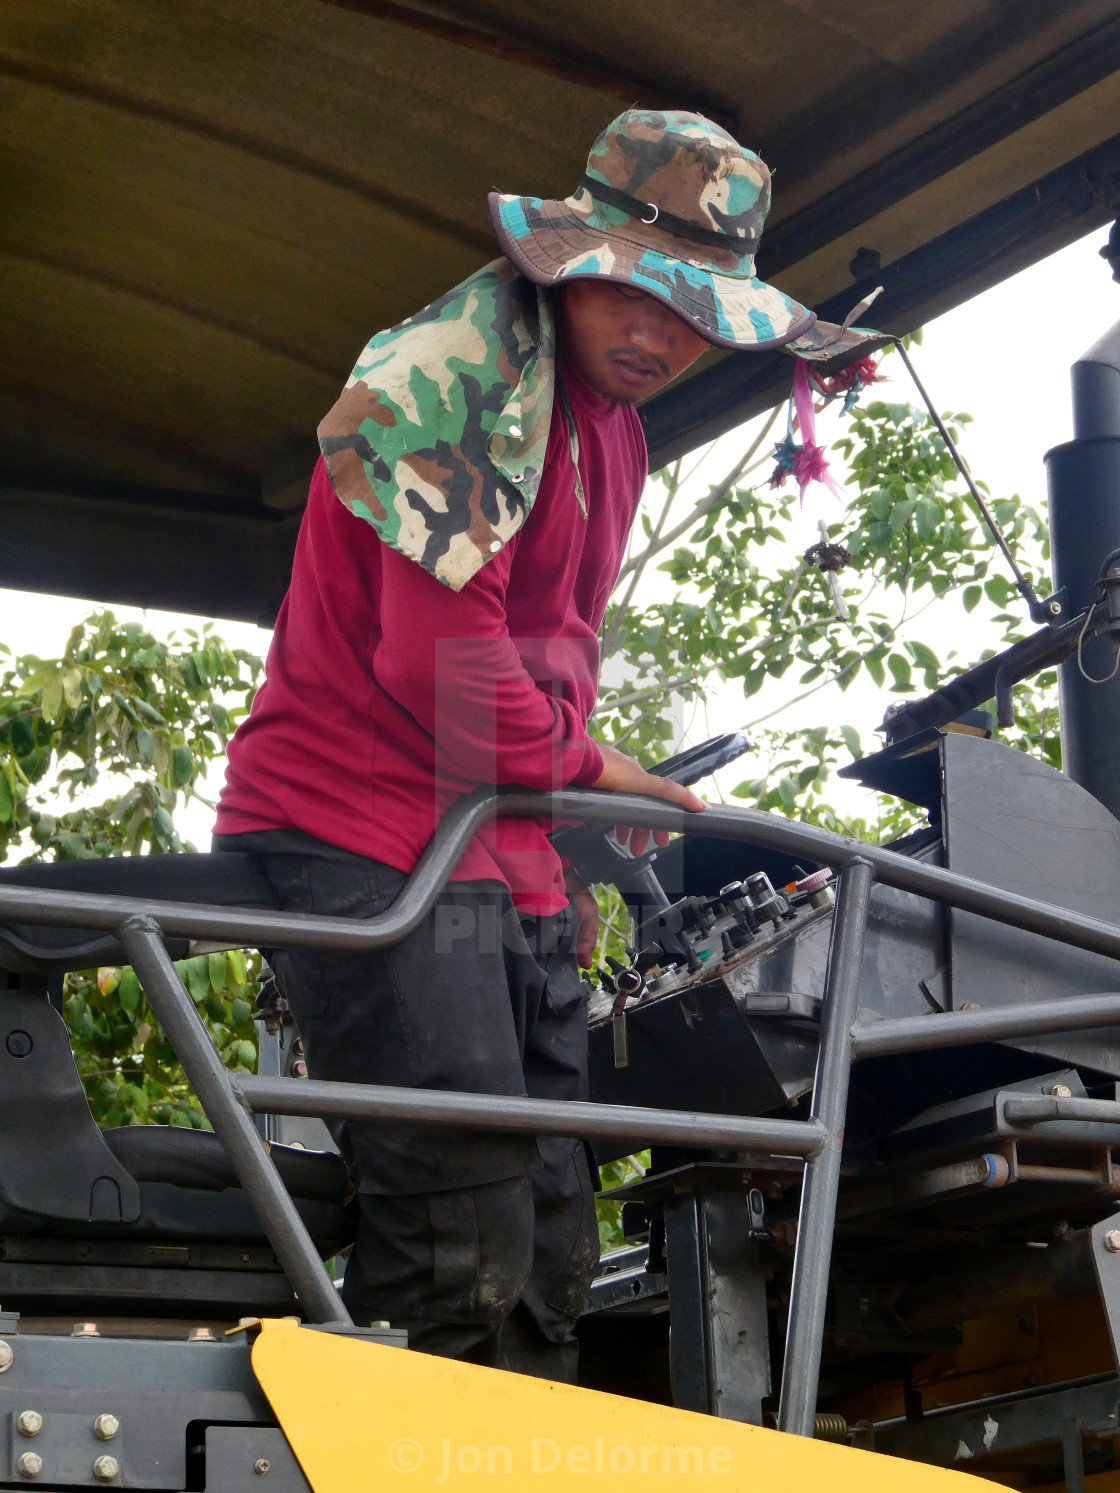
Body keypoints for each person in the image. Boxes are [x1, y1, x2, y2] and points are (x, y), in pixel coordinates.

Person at [213, 108, 869, 1379]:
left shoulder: (612, 431)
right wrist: (596, 773)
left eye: (693, 313)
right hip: (362, 836)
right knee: (461, 1214)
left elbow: (543, 645)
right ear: (574, 261)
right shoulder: (446, 380)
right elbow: (439, 664)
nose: (657, 334)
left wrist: (560, 827)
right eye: (632, 291)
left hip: (489, 842)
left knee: (555, 1216)